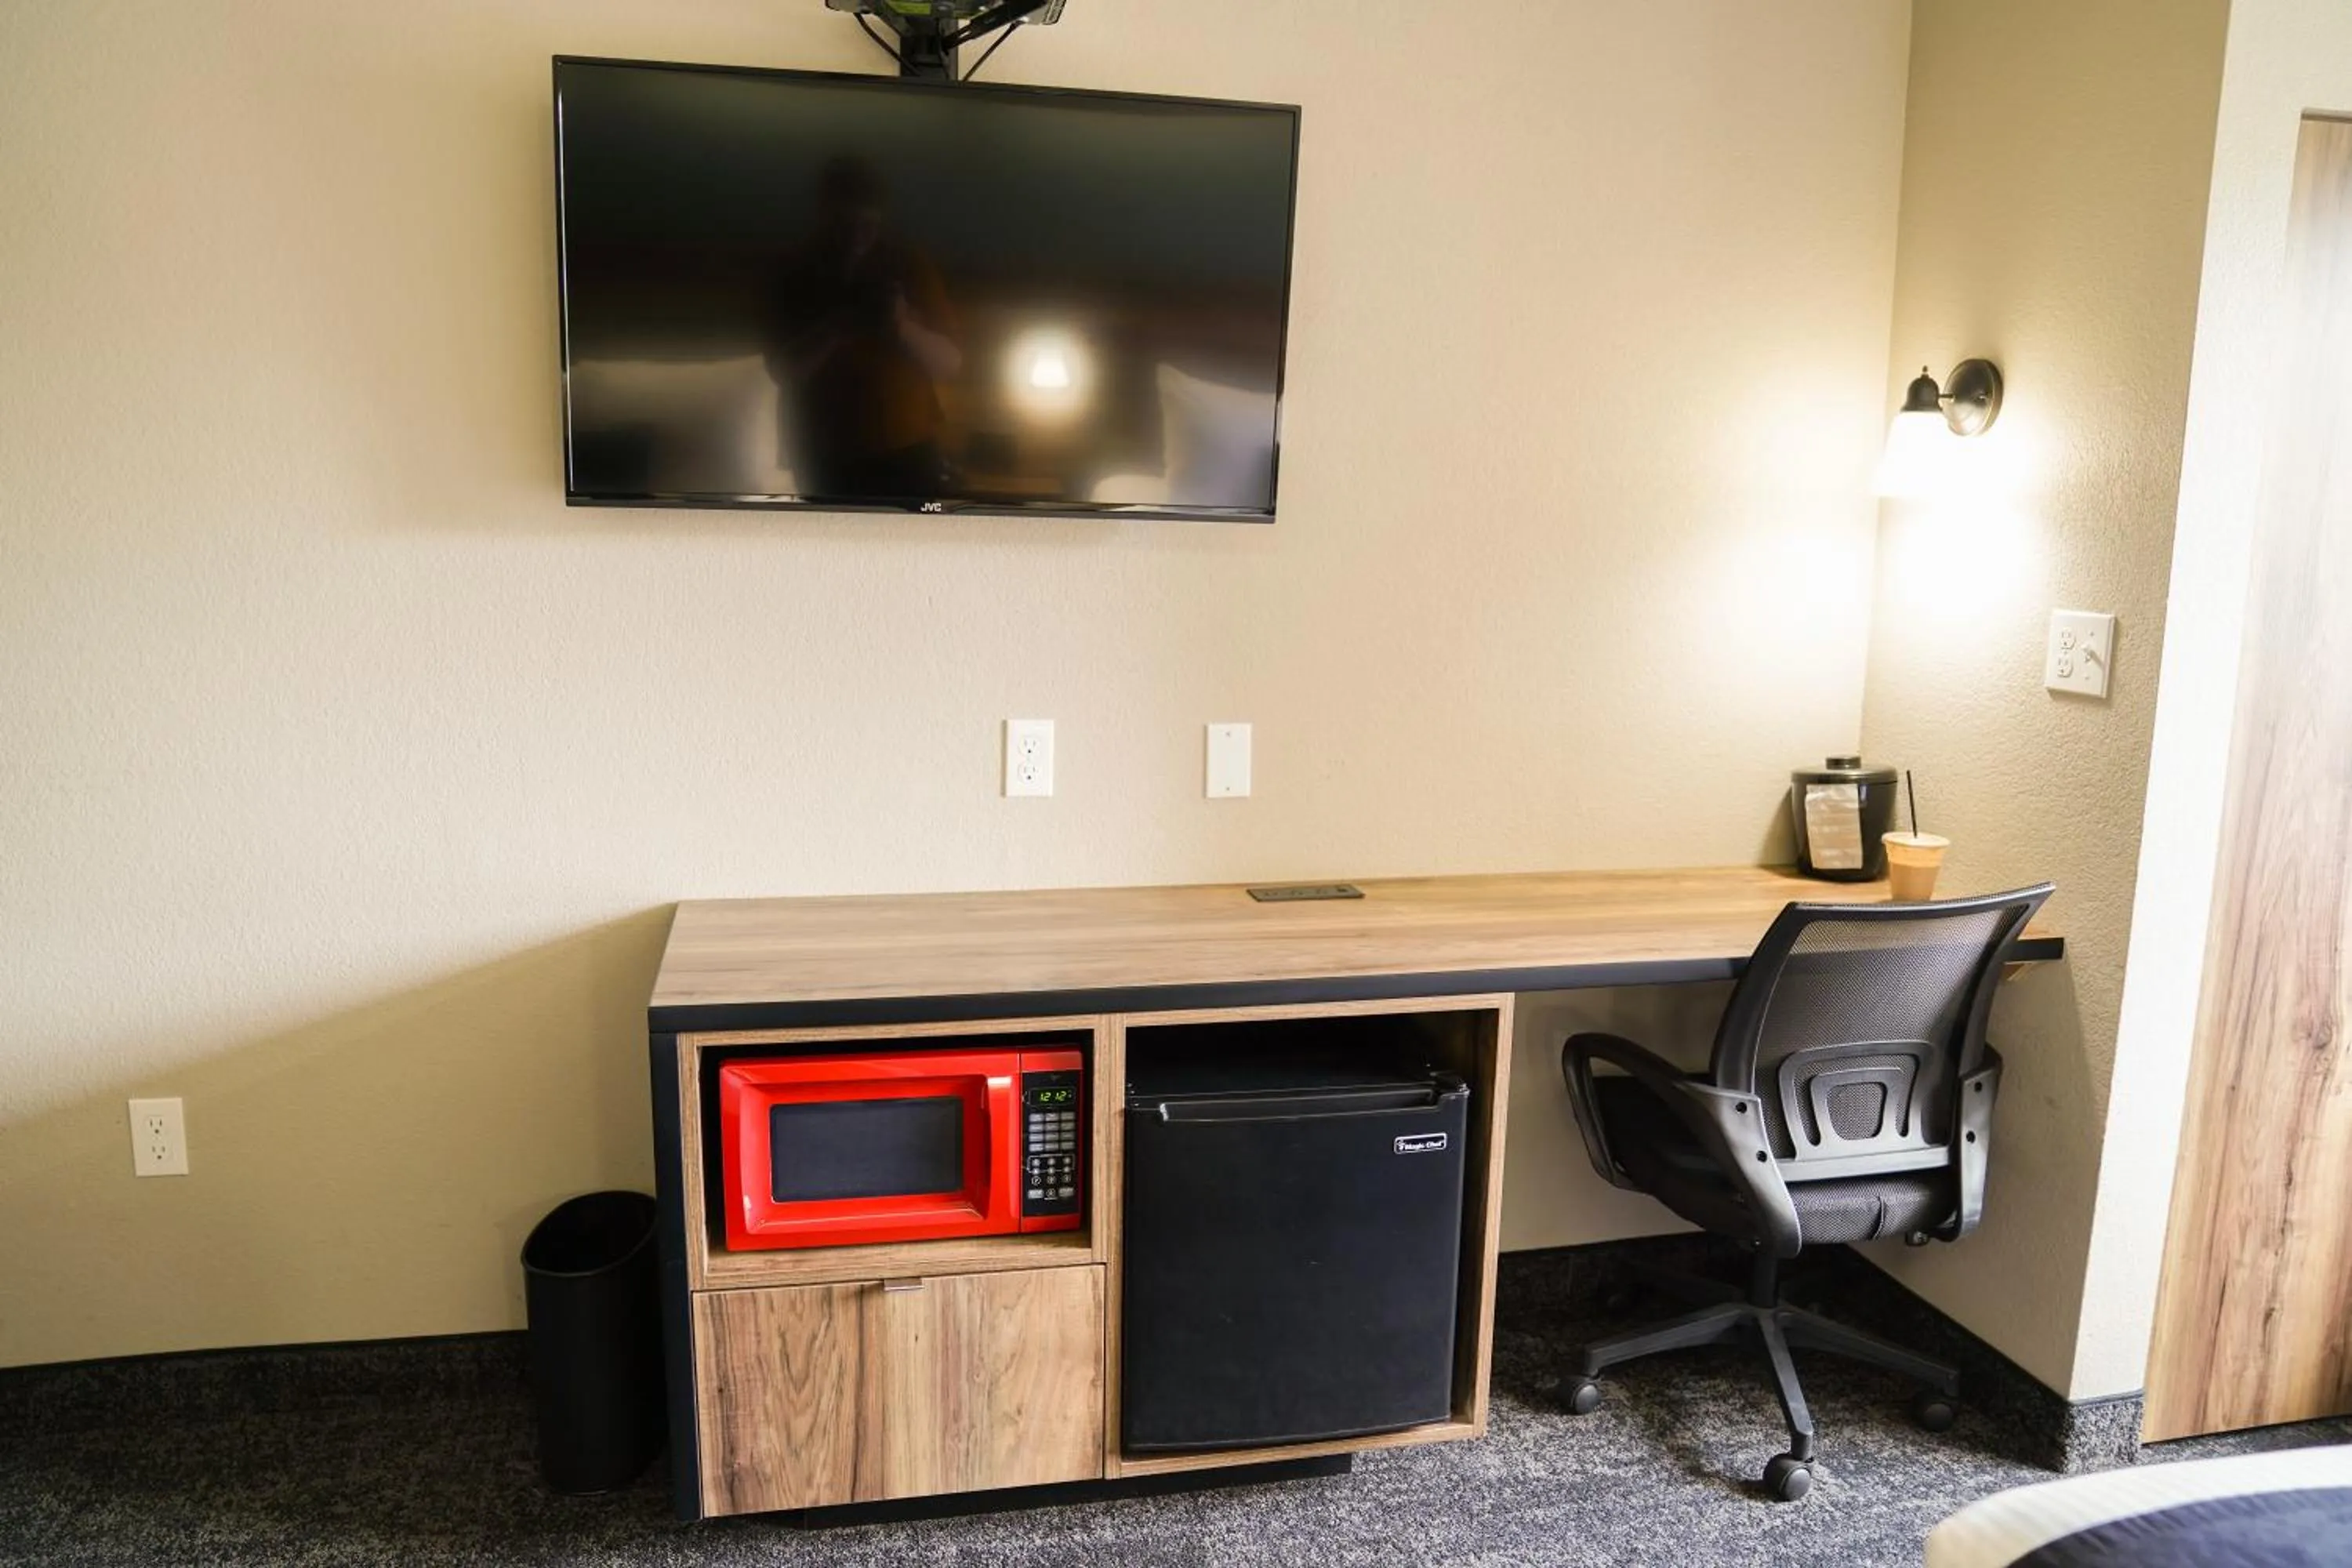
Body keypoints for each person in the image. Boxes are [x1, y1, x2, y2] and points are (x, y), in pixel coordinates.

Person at [766, 155, 962, 500]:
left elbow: (950, 364)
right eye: (844, 228)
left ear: (881, 221)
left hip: (908, 449)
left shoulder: (908, 265)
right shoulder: (794, 272)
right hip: (821, 455)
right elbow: (783, 371)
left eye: (866, 228)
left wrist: (902, 326)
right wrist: (839, 323)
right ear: (825, 218)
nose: (855, 240)